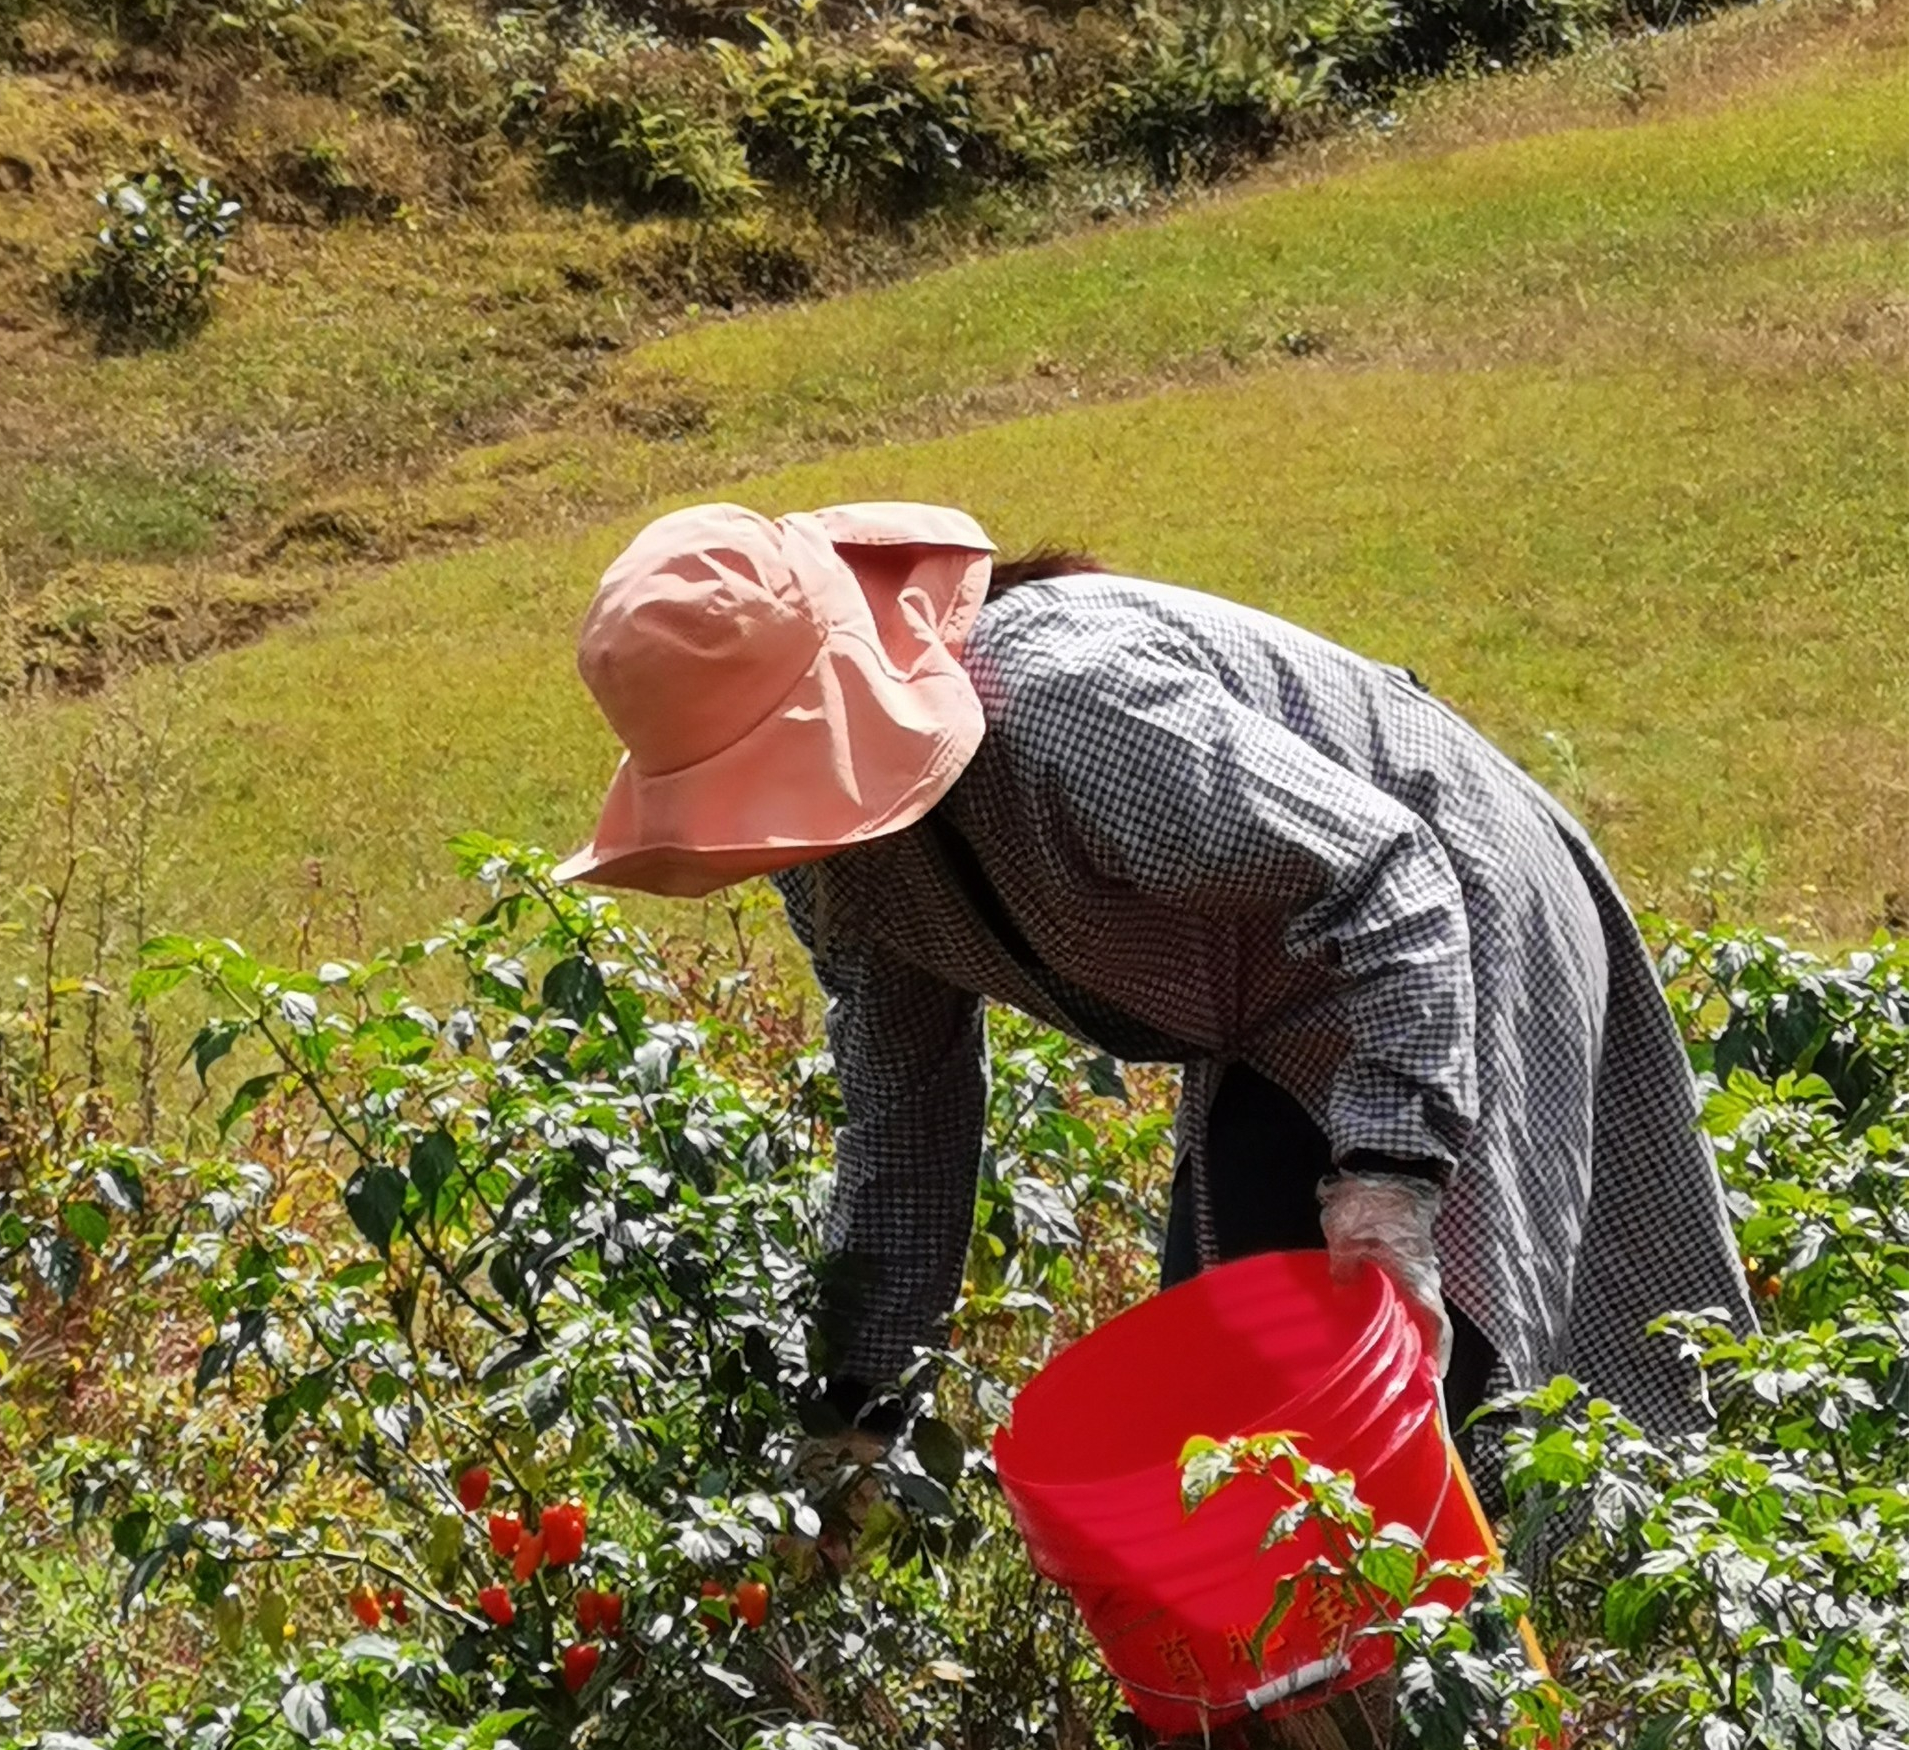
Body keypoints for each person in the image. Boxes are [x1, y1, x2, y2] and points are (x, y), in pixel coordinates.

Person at [552, 499, 1751, 1522]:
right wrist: (854, 1416)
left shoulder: (1068, 708)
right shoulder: (840, 869)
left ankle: (1510, 1723)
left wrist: (1386, 1181)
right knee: (1229, 1413)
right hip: (1272, 998)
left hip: (1445, 915)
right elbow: (903, 1118)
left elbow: (1387, 880)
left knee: (1432, 1380)